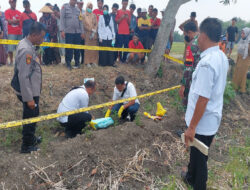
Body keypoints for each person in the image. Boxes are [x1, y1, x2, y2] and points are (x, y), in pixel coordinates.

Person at [182, 18, 228, 190]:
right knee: (196, 153)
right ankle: (190, 176)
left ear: (204, 35)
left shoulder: (207, 64)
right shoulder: (221, 57)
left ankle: (199, 184)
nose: (197, 38)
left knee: (200, 159)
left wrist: (192, 127)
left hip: (202, 122)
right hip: (211, 118)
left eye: (199, 34)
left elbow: (203, 98)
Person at [12, 22, 46, 153]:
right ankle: (26, 146)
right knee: (30, 115)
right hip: (28, 91)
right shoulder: (26, 50)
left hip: (32, 88)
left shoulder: (27, 44)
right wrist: (29, 98)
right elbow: (24, 76)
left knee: (33, 114)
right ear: (34, 35)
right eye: (42, 37)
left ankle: (31, 138)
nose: (43, 40)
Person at [179, 21, 200, 108]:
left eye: (185, 34)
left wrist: (184, 85)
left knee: (189, 106)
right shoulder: (203, 42)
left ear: (190, 33)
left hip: (192, 82)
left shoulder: (191, 46)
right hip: (201, 81)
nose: (185, 36)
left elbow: (188, 69)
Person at [60, 0, 85, 70]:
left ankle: (77, 63)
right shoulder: (64, 7)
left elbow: (80, 21)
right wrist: (62, 30)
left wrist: (82, 32)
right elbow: (61, 19)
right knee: (69, 49)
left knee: (77, 48)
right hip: (68, 32)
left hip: (77, 32)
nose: (74, 1)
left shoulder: (78, 10)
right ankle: (68, 63)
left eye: (75, 0)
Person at [232, 28, 250, 94]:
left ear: (247, 34)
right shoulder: (241, 40)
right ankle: (235, 88)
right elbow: (239, 51)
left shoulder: (249, 42)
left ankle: (239, 89)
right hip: (239, 59)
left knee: (241, 75)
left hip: (245, 60)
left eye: (243, 33)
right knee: (236, 73)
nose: (241, 34)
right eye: (241, 33)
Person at [5, 0, 22, 66]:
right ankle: (11, 62)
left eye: (15, 2)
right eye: (12, 2)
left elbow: (20, 21)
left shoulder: (19, 12)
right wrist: (17, 20)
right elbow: (9, 21)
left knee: (19, 48)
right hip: (11, 32)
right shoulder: (7, 11)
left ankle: (18, 62)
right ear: (9, 3)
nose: (14, 3)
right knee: (10, 49)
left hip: (19, 32)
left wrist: (15, 21)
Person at [82, 2, 98, 67]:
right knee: (88, 49)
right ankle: (87, 62)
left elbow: (96, 24)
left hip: (94, 34)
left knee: (94, 49)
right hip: (87, 34)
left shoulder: (94, 15)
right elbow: (84, 25)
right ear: (86, 7)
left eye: (91, 8)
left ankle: (94, 61)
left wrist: (94, 30)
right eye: (89, 7)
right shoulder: (84, 15)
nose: (90, 9)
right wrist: (90, 29)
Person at [77, 0, 85, 64]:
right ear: (77, 4)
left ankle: (82, 61)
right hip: (76, 32)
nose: (81, 5)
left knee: (82, 48)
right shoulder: (74, 11)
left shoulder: (84, 12)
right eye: (80, 4)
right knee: (77, 49)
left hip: (83, 32)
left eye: (82, 4)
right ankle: (77, 61)